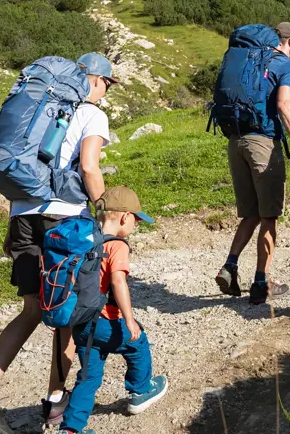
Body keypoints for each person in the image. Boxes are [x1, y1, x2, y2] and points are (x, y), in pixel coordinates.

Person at [0, 53, 119, 433]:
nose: (106, 93)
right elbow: (88, 166)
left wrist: (12, 227)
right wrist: (104, 212)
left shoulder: (41, 109)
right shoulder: (90, 114)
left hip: (22, 216)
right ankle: (55, 402)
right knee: (67, 312)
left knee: (33, 309)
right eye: (108, 85)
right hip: (64, 218)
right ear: (95, 80)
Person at [58, 186, 168, 434]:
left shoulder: (85, 240)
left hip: (81, 323)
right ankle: (141, 390)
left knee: (88, 376)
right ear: (124, 217)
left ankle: (70, 429)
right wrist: (129, 320)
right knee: (137, 344)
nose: (135, 225)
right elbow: (118, 282)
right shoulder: (117, 246)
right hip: (106, 320)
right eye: (136, 220)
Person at [215, 22, 290, 304]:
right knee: (269, 216)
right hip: (263, 143)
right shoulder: (285, 65)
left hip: (235, 140)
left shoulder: (246, 59)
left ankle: (230, 266)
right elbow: (283, 104)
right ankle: (260, 283)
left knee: (251, 213)